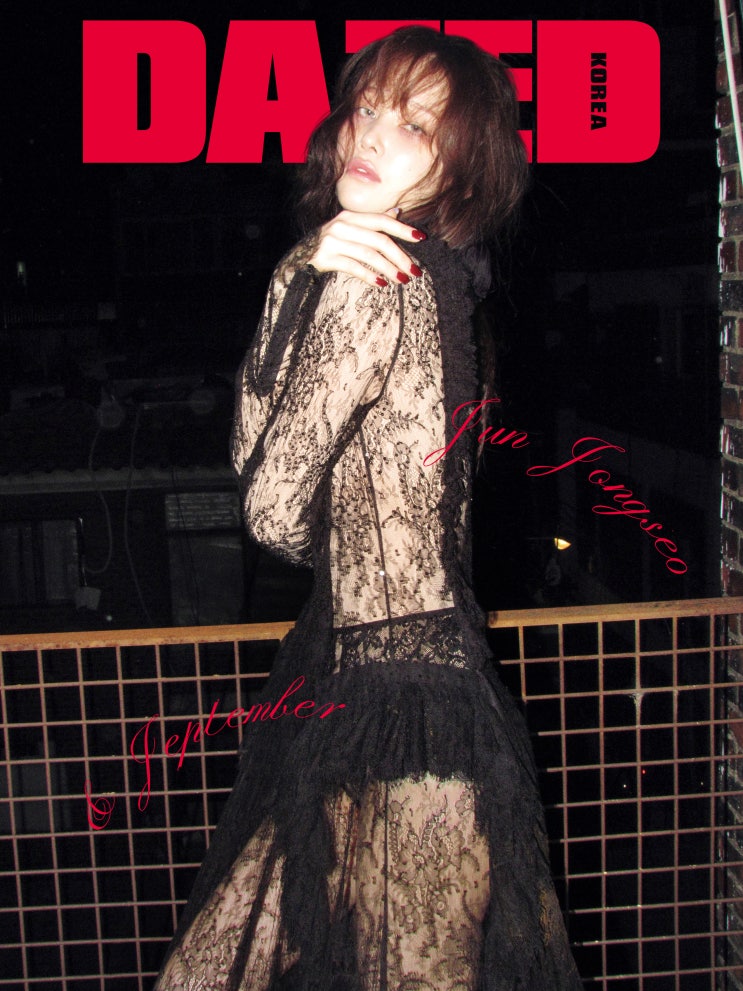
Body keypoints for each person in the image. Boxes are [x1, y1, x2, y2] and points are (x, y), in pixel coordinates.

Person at [154, 25, 582, 991]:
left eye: (416, 124)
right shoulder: (429, 282)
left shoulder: (375, 285)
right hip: (402, 679)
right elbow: (292, 485)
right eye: (368, 106)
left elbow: (270, 510)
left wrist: (299, 283)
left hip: (393, 692)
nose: (373, 132)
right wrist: (293, 277)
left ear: (459, 169)